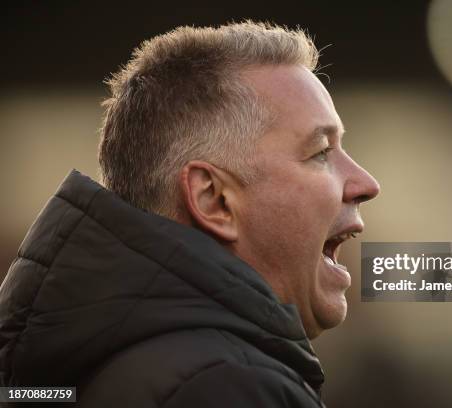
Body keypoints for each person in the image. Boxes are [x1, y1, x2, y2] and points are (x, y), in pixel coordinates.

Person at [0, 21, 379, 407]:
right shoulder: (226, 386)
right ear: (213, 199)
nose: (366, 183)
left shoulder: (98, 369)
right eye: (320, 152)